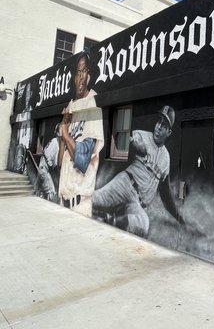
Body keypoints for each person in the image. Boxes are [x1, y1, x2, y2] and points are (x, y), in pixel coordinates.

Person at [92, 106, 183, 238]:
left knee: (143, 225)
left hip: (137, 202)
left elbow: (165, 193)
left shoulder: (166, 158)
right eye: (158, 122)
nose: (158, 127)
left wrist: (179, 217)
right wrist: (134, 144)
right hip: (125, 185)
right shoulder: (141, 135)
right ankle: (77, 203)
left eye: (164, 125)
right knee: (94, 199)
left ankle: (109, 219)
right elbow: (131, 145)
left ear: (169, 132)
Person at [58, 52, 104, 217]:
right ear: (73, 78)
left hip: (80, 205)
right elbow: (59, 161)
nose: (81, 77)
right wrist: (64, 125)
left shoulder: (93, 103)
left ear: (89, 75)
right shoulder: (71, 105)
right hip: (63, 200)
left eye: (84, 71)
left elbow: (82, 161)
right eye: (77, 73)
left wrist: (64, 132)